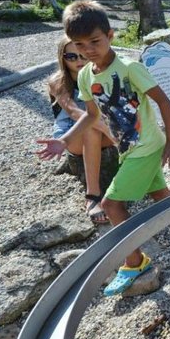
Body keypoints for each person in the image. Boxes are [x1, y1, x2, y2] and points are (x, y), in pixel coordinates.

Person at [36, 0, 170, 297]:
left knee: (112, 204)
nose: (88, 49)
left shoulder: (129, 68)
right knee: (159, 194)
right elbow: (91, 115)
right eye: (80, 44)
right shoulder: (87, 75)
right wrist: (64, 140)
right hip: (127, 147)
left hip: (148, 146)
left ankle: (134, 260)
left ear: (111, 35)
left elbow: (163, 101)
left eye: (95, 41)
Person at [46, 36, 117, 224]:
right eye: (71, 56)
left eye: (82, 55)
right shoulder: (58, 81)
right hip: (72, 135)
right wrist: (109, 130)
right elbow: (75, 112)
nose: (78, 61)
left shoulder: (100, 75)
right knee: (90, 127)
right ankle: (93, 196)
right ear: (62, 58)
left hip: (105, 130)